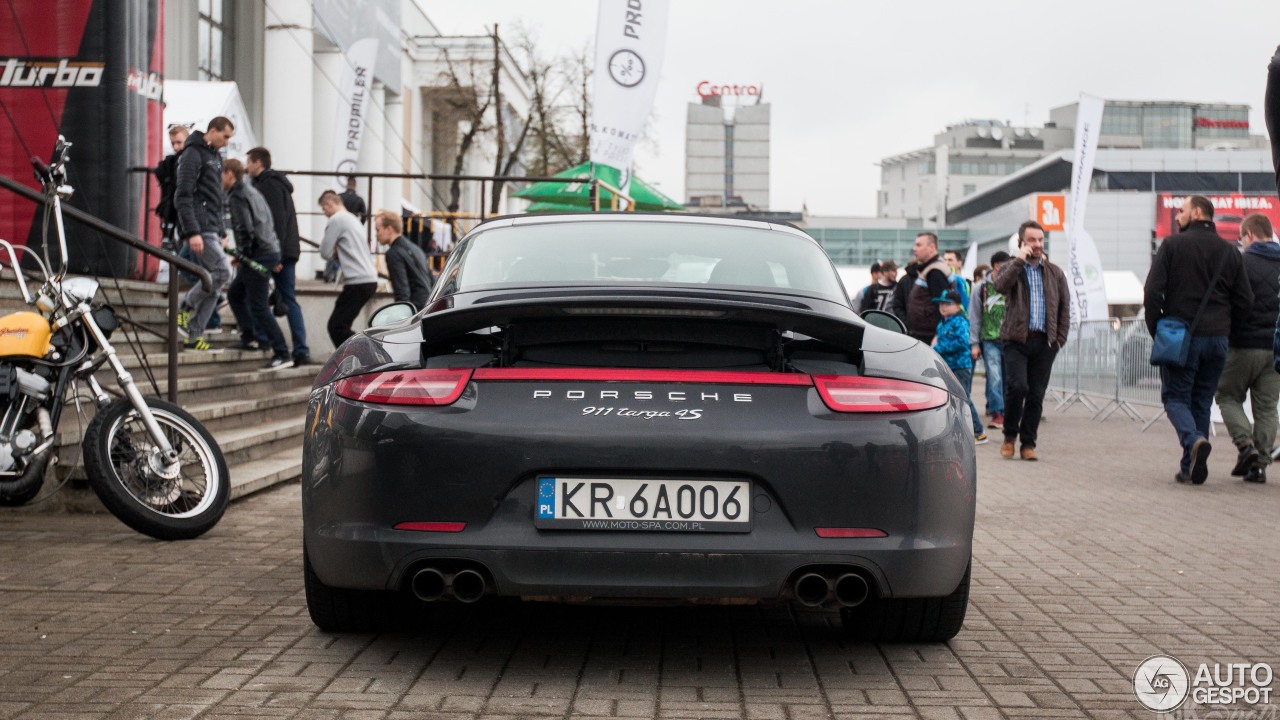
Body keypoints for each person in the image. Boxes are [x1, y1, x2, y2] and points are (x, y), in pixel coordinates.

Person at [1144, 196, 1252, 484]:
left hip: (1181, 335)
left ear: (1198, 212)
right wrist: (1228, 331)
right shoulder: (1230, 252)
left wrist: (1158, 330)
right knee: (1201, 401)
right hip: (1217, 339)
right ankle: (1188, 466)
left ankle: (1193, 440)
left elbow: (1153, 292)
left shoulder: (1173, 246)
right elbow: (1245, 300)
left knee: (1175, 397)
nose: (1177, 216)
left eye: (1182, 211)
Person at [989, 221, 1071, 462]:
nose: (1037, 244)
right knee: (1018, 387)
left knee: (1036, 394)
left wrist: (1060, 339)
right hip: (1016, 340)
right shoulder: (1010, 268)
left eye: (1040, 240)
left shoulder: (1055, 272)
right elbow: (999, 286)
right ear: (1021, 243)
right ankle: (1009, 436)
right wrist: (1019, 261)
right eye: (1032, 240)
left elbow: (1065, 307)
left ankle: (1028, 443)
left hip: (1045, 342)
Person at [1215, 214, 1280, 484]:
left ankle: (1246, 446)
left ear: (1249, 235)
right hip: (1274, 348)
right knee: (1267, 408)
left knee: (1227, 396)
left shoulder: (1240, 262)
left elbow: (1229, 301)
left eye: (1242, 238)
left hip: (1243, 344)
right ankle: (1260, 466)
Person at [173, 116, 235, 352]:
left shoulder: (214, 156)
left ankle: (194, 335)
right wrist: (192, 232)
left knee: (214, 282)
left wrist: (221, 231)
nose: (227, 141)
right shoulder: (192, 154)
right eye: (225, 136)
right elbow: (183, 195)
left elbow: (216, 198)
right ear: (213, 131)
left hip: (211, 229)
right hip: (199, 229)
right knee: (222, 272)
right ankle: (184, 308)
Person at [223, 159, 291, 370]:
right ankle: (252, 338)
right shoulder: (252, 191)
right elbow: (265, 223)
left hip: (258, 253)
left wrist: (243, 254)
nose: (220, 180)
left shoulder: (238, 195)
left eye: (221, 175)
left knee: (259, 305)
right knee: (235, 293)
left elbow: (245, 228)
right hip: (266, 250)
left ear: (230, 175)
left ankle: (282, 352)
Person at [246, 147, 310, 366]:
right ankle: (292, 347)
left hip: (279, 252)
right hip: (284, 250)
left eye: (249, 162)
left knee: (285, 300)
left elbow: (277, 222)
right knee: (276, 297)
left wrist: (278, 257)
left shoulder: (269, 185)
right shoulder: (275, 183)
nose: (247, 167)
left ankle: (298, 349)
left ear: (258, 163)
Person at [319, 190, 378, 347]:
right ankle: (363, 352)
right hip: (368, 279)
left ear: (329, 204)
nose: (325, 214)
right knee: (340, 325)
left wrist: (334, 250)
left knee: (336, 326)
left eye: (324, 210)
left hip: (357, 281)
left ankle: (368, 351)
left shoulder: (336, 219)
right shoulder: (353, 219)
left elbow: (325, 252)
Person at [933, 289, 987, 444]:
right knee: (952, 400)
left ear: (957, 306)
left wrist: (938, 349)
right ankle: (957, 431)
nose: (943, 307)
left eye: (947, 304)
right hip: (948, 367)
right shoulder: (942, 323)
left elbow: (962, 342)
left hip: (960, 366)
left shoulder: (960, 321)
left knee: (963, 398)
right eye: (941, 304)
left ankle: (978, 431)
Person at [970, 250, 1010, 430]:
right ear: (996, 266)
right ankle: (997, 413)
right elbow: (975, 316)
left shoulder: (1012, 285)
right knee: (994, 376)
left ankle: (1007, 410)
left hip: (1010, 340)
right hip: (989, 340)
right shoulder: (981, 288)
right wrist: (974, 343)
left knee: (1008, 378)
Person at [375, 210, 433, 310]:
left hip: (414, 310)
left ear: (389, 229)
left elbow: (402, 292)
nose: (376, 235)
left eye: (378, 230)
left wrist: (402, 316)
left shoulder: (393, 253)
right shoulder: (415, 248)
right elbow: (431, 279)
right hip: (429, 305)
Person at [903, 233, 953, 344]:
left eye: (919, 245)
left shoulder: (935, 272)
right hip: (925, 335)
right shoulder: (930, 269)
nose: (914, 249)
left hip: (929, 337)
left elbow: (944, 307)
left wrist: (938, 335)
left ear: (932, 248)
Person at [154, 125, 189, 249]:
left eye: (179, 142)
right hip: (177, 209)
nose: (175, 147)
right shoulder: (172, 162)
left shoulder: (187, 160)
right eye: (173, 143)